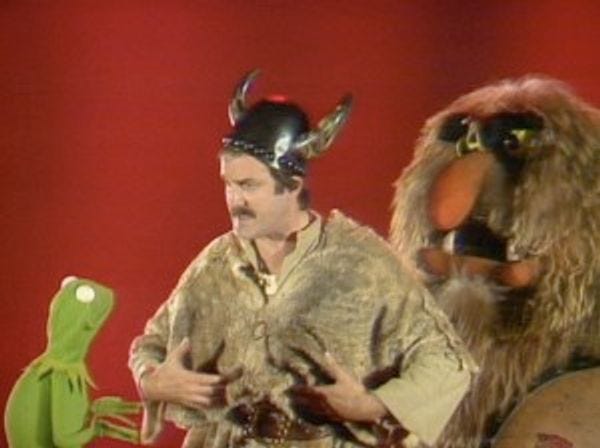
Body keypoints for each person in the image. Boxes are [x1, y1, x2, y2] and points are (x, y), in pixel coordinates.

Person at [129, 70, 477, 448]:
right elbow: (152, 343)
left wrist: (371, 405)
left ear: (292, 186)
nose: (234, 200)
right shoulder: (217, 262)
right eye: (228, 183)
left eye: (249, 186)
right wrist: (152, 380)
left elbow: (449, 362)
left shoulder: (359, 262)